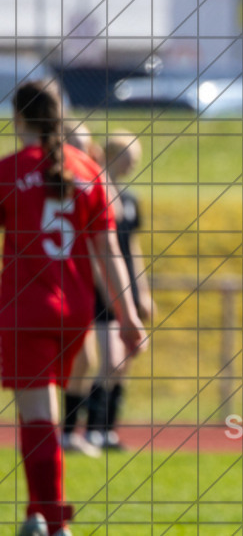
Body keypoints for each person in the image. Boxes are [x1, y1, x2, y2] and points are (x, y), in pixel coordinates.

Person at [0, 80, 145, 536]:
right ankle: (35, 516)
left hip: (27, 308)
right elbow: (110, 254)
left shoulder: (9, 171)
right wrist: (130, 317)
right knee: (40, 414)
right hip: (75, 312)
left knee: (38, 417)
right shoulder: (89, 170)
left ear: (18, 117)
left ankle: (55, 523)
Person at [84, 131, 156, 451]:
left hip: (124, 288)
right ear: (112, 156)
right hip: (103, 291)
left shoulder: (129, 200)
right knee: (109, 359)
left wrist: (141, 290)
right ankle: (90, 429)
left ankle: (108, 429)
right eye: (130, 157)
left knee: (124, 360)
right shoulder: (94, 195)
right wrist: (111, 289)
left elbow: (133, 249)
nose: (134, 164)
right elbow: (94, 247)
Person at [59, 123, 103, 459]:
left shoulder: (88, 184)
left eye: (84, 146)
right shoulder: (52, 183)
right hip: (51, 286)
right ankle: (62, 434)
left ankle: (68, 432)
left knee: (85, 360)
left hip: (76, 288)